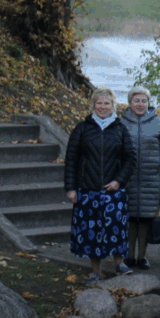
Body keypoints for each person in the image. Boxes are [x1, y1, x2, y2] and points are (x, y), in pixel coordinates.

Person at [65, 88, 137, 285]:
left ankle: (119, 263)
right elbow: (71, 160)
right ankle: (96, 271)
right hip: (88, 191)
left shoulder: (120, 129)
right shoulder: (82, 129)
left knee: (116, 228)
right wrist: (71, 188)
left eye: (107, 103)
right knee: (92, 232)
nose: (103, 107)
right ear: (93, 105)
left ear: (113, 106)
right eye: (99, 103)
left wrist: (119, 180)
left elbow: (130, 158)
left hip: (113, 191)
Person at [121, 85, 160, 271]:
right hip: (127, 178)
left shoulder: (159, 124)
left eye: (144, 101)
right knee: (130, 218)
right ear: (130, 102)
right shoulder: (120, 123)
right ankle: (129, 256)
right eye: (136, 100)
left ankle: (142, 257)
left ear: (149, 103)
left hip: (151, 179)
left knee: (146, 218)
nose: (140, 104)